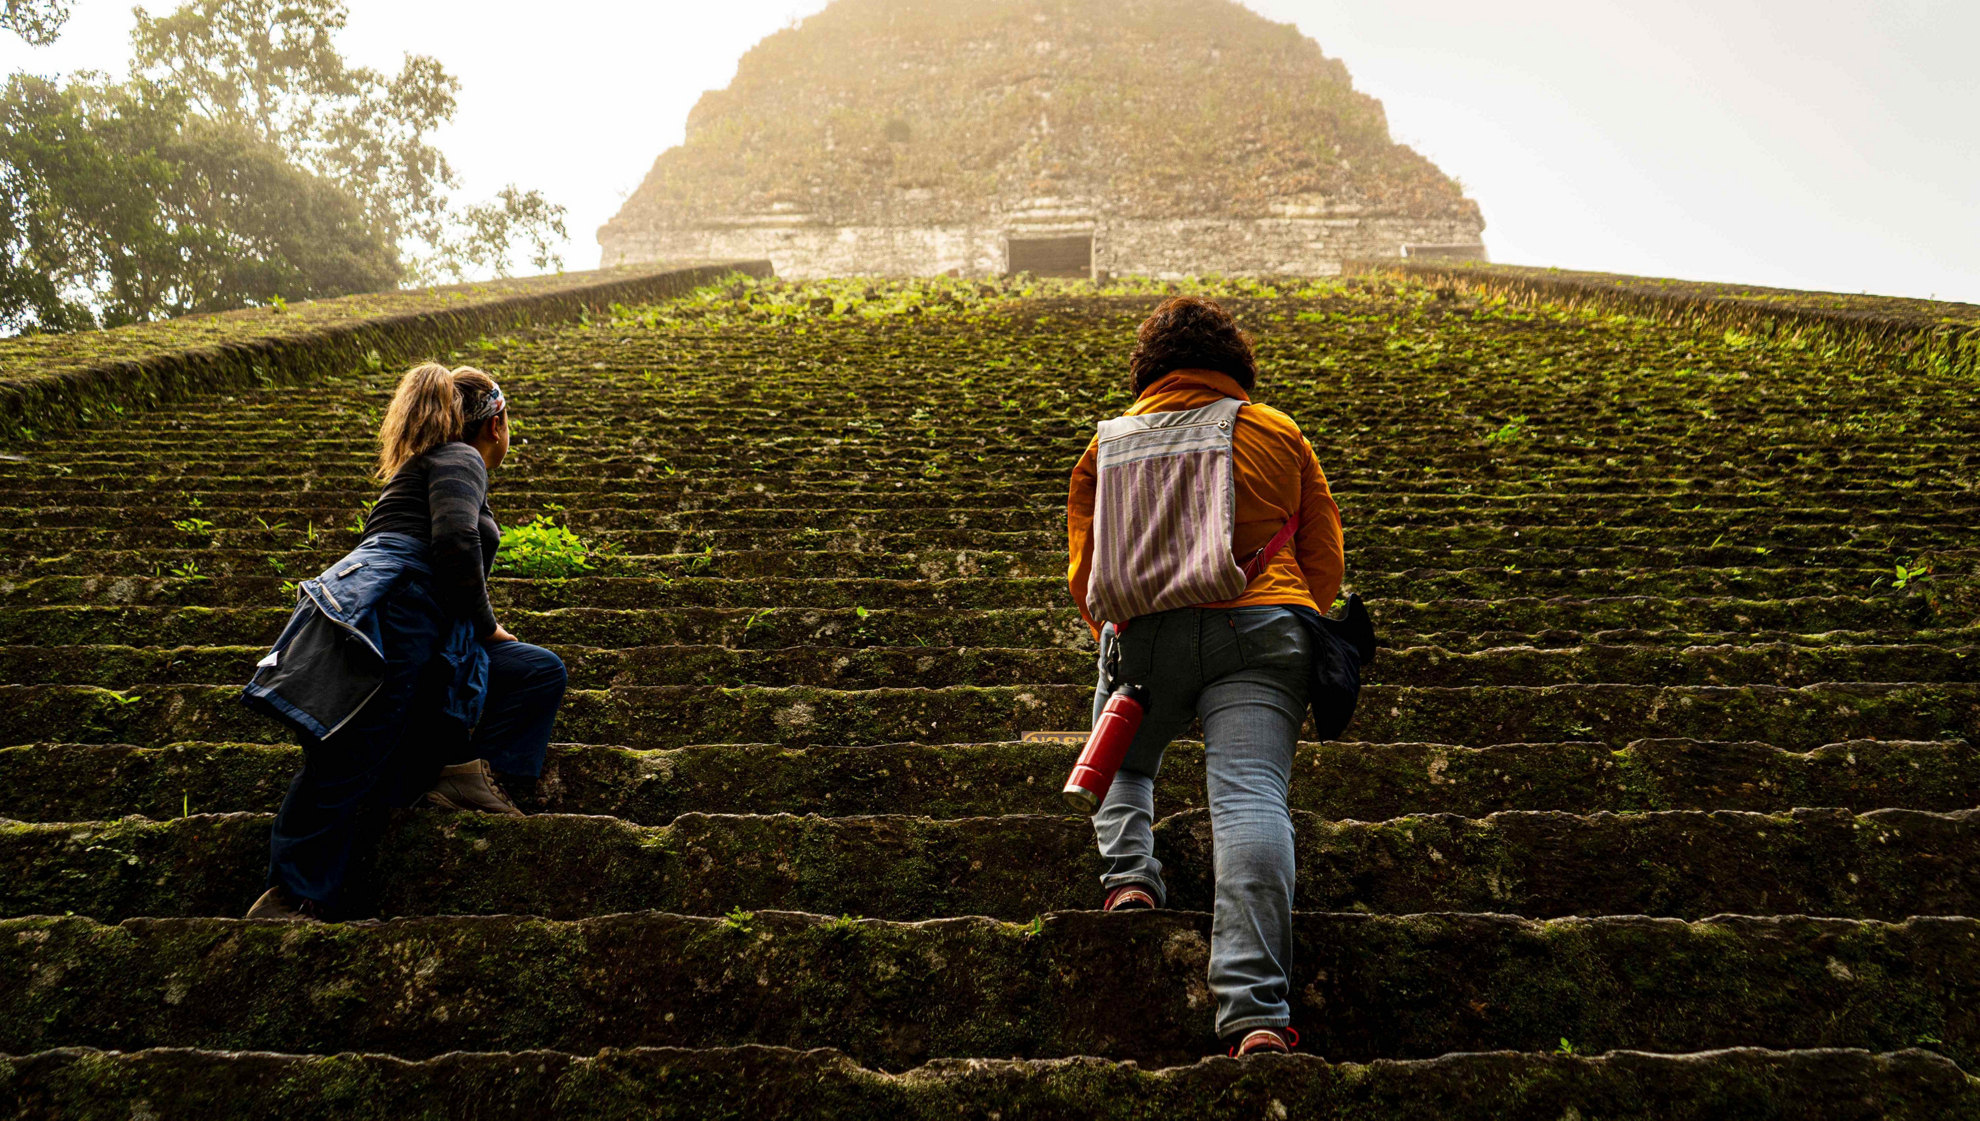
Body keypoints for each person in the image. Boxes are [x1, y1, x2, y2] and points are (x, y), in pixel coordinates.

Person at [1066, 296, 1345, 1057]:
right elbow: (1323, 554)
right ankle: (1255, 1014)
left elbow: (1088, 572)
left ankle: (1129, 877)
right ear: (1237, 367)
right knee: (1252, 797)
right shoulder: (1276, 430)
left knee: (1123, 757)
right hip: (1263, 626)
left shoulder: (1108, 444)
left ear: (1148, 372)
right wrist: (1279, 614)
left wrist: (1124, 639)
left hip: (1147, 634)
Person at [241, 363, 568, 921]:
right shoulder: (459, 458)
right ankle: (293, 897)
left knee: (535, 671)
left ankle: (459, 772)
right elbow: (456, 543)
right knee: (351, 748)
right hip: (402, 609)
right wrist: (488, 624)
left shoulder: (424, 466)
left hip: (423, 618)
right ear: (498, 423)